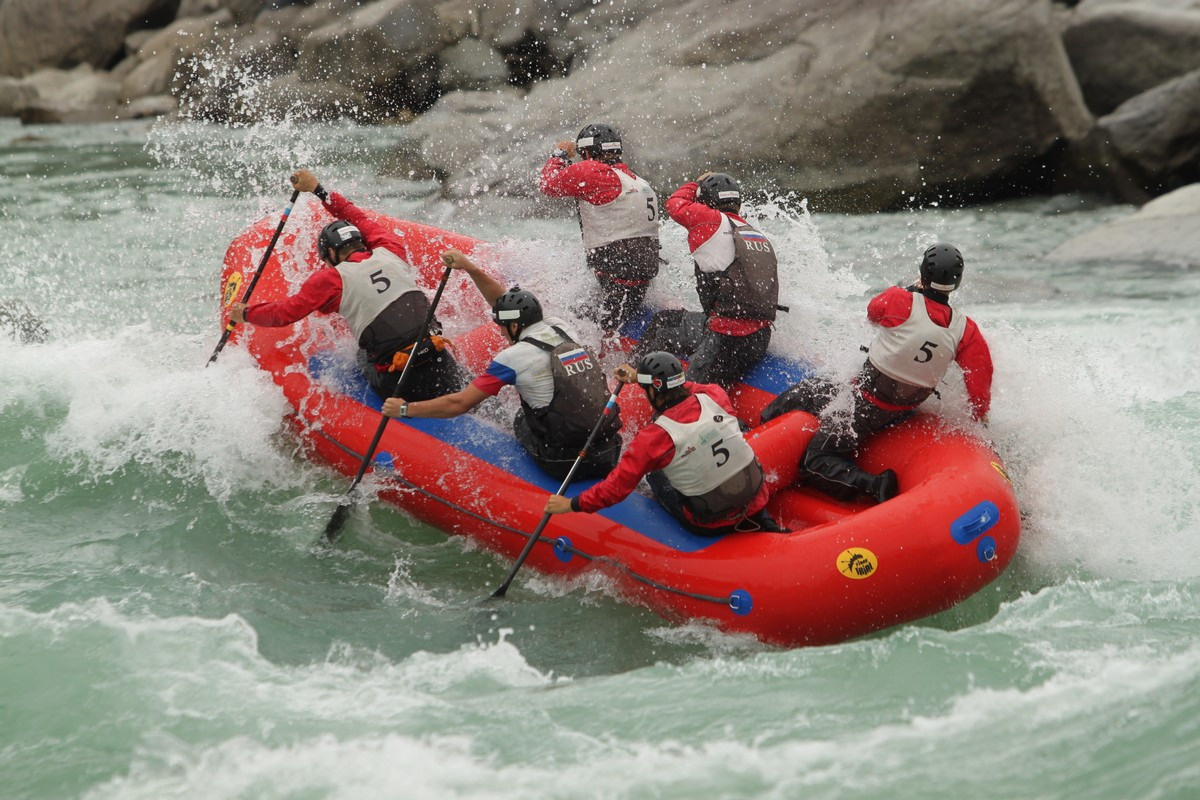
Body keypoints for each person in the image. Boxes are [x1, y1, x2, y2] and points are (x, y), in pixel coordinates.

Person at [762, 242, 994, 503]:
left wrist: (912, 290)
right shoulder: (967, 330)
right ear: (956, 283)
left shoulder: (900, 299)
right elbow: (979, 385)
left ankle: (874, 485)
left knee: (814, 458)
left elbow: (873, 313)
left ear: (923, 275)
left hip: (862, 405)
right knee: (814, 390)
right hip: (905, 406)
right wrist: (979, 421)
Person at [380, 251, 622, 480]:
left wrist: (404, 409)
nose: (500, 332)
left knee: (518, 417)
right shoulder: (560, 327)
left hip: (563, 462)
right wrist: (470, 268)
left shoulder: (512, 358)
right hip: (609, 450)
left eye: (502, 326)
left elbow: (459, 403)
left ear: (514, 327)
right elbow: (504, 303)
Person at [229, 169, 464, 401]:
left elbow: (284, 314)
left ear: (331, 252)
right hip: (441, 362)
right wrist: (318, 190)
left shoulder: (331, 280)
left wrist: (246, 313)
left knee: (360, 356)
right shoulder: (391, 249)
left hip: (401, 382)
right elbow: (357, 217)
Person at [545, 351, 782, 535]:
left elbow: (614, 490)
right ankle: (764, 520)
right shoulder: (715, 394)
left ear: (652, 393)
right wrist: (640, 378)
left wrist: (571, 504)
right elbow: (688, 387)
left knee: (656, 474)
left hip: (710, 521)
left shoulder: (653, 438)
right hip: (757, 497)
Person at [635, 172, 779, 389]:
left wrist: (696, 183)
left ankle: (637, 389)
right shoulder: (753, 233)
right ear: (738, 204)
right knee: (664, 322)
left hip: (727, 341)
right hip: (758, 338)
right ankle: (635, 381)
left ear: (706, 203)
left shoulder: (710, 219)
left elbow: (675, 203)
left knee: (686, 402)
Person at [539, 123, 661, 334]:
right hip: (639, 279)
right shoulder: (639, 181)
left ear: (586, 152)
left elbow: (548, 184)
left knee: (565, 321)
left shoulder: (593, 171)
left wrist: (559, 154)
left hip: (615, 279)